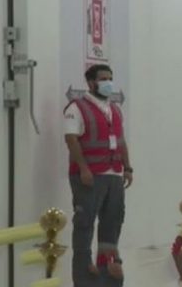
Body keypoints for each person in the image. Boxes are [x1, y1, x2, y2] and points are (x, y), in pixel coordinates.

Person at [64, 64, 133, 286]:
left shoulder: (115, 110)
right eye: (103, 79)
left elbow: (121, 141)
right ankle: (84, 277)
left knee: (113, 223)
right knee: (84, 225)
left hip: (114, 174)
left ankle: (108, 272)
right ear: (91, 82)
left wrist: (127, 167)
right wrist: (83, 168)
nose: (108, 83)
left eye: (110, 78)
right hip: (90, 176)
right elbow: (71, 139)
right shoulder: (77, 108)